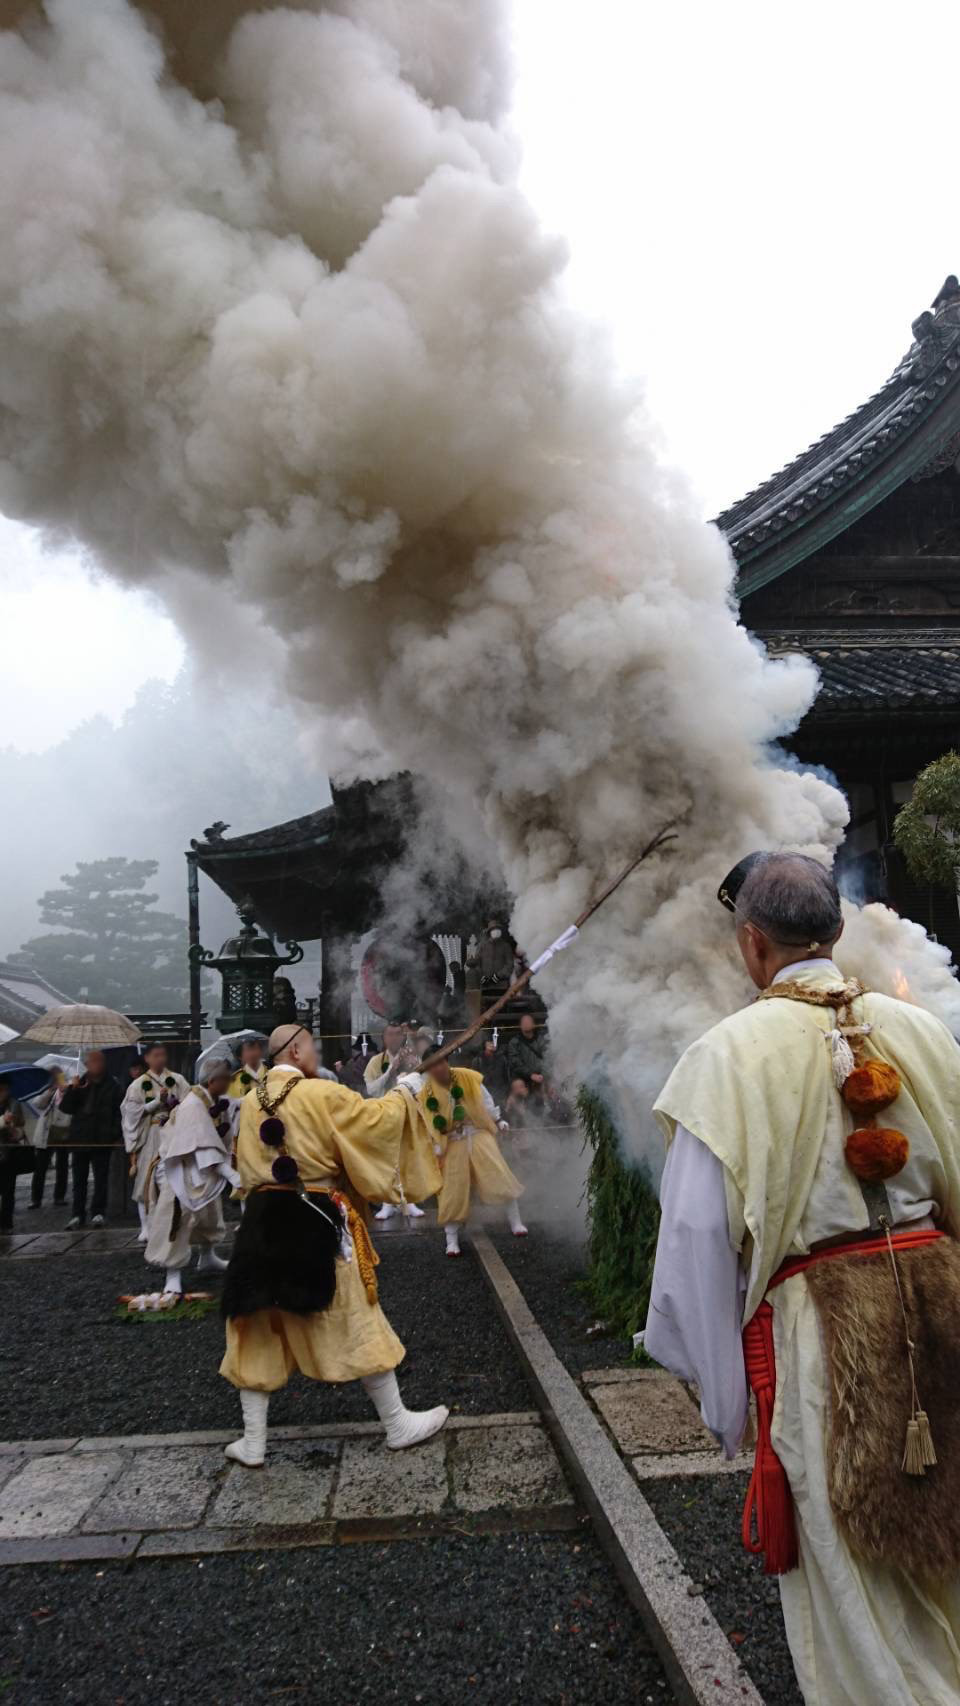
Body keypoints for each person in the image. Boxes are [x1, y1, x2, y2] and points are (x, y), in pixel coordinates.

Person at [643, 852, 960, 1706]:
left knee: (853, 1568)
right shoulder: (922, 1029)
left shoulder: (723, 1058)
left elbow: (698, 1239)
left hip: (826, 1336)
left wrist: (722, 1400)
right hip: (946, 1303)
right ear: (839, 929)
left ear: (751, 944)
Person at [219, 1021, 449, 1467]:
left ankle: (253, 1441)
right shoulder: (321, 1093)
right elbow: (376, 1121)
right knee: (355, 1314)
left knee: (256, 1323)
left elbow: (245, 1166)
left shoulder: (249, 1102)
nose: (317, 1055)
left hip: (262, 1221)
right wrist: (407, 1087)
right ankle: (397, 1423)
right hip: (314, 1217)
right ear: (297, 1052)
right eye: (313, 1047)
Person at [144, 1055, 241, 1295]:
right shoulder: (193, 1105)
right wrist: (229, 1173)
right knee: (177, 1219)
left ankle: (207, 1257)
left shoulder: (212, 1100)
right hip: (180, 1168)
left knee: (209, 1213)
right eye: (225, 1079)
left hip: (203, 1171)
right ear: (212, 1081)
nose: (229, 1083)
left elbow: (235, 1109)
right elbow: (202, 1144)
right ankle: (172, 1274)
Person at [417, 1060, 526, 1257]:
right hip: (452, 1140)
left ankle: (516, 1221)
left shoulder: (467, 1076)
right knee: (452, 1189)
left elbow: (486, 1100)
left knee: (498, 1174)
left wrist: (498, 1120)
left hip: (477, 1133)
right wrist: (434, 1143)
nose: (438, 1069)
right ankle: (451, 1240)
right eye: (432, 1066)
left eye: (440, 1063)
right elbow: (426, 1119)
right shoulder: (427, 1091)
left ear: (446, 1062)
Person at [121, 1043, 191, 1241]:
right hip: (152, 1133)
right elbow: (132, 1111)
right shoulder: (137, 1085)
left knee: (175, 1175)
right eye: (156, 1055)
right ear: (147, 1059)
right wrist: (156, 1102)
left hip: (173, 1130)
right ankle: (145, 1226)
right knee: (145, 1177)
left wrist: (173, 1105)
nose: (160, 1058)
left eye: (163, 1054)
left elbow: (189, 1103)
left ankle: (174, 1220)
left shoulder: (177, 1080)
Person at [59, 1051, 123, 1228]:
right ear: (87, 1064)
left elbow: (119, 1112)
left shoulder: (114, 1084)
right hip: (80, 1137)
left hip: (102, 1138)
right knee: (79, 1179)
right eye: (93, 1061)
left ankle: (98, 1212)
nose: (97, 1064)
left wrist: (114, 1133)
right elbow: (66, 1108)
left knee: (101, 1178)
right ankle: (77, 1214)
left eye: (100, 1060)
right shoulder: (80, 1082)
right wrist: (73, 1089)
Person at [29, 1067, 71, 1209]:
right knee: (40, 1167)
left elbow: (70, 1108)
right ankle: (36, 1199)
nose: (58, 1078)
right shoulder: (46, 1088)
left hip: (63, 1131)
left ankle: (59, 1196)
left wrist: (64, 1091)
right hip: (46, 1132)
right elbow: (37, 1104)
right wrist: (50, 1091)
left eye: (59, 1075)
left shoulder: (69, 1088)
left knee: (62, 1166)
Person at [0, 1077, 30, 1231]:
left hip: (9, 1154)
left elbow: (21, 1129)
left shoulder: (14, 1105)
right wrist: (3, 1121)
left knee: (8, 1191)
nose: (3, 1093)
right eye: (1, 1089)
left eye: (5, 1089)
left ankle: (6, 1224)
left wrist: (14, 1131)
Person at [505, 1012, 547, 1089]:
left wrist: (544, 1075)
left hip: (541, 1077)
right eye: (523, 1022)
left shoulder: (541, 1040)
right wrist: (531, 1075)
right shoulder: (514, 1042)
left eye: (528, 1021)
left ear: (534, 1024)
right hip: (522, 1078)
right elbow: (515, 1063)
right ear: (520, 1025)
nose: (526, 1023)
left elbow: (548, 1058)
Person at [363, 1022, 405, 1096]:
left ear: (403, 1037)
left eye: (398, 1034)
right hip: (383, 1104)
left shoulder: (410, 1057)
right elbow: (370, 1090)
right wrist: (389, 1073)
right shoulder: (375, 1061)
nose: (394, 1038)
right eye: (390, 1034)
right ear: (384, 1038)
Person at [227, 1035, 267, 1100]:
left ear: (261, 1052)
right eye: (248, 1050)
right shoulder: (234, 1080)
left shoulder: (271, 1073)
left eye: (255, 1049)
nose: (252, 1054)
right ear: (240, 1056)